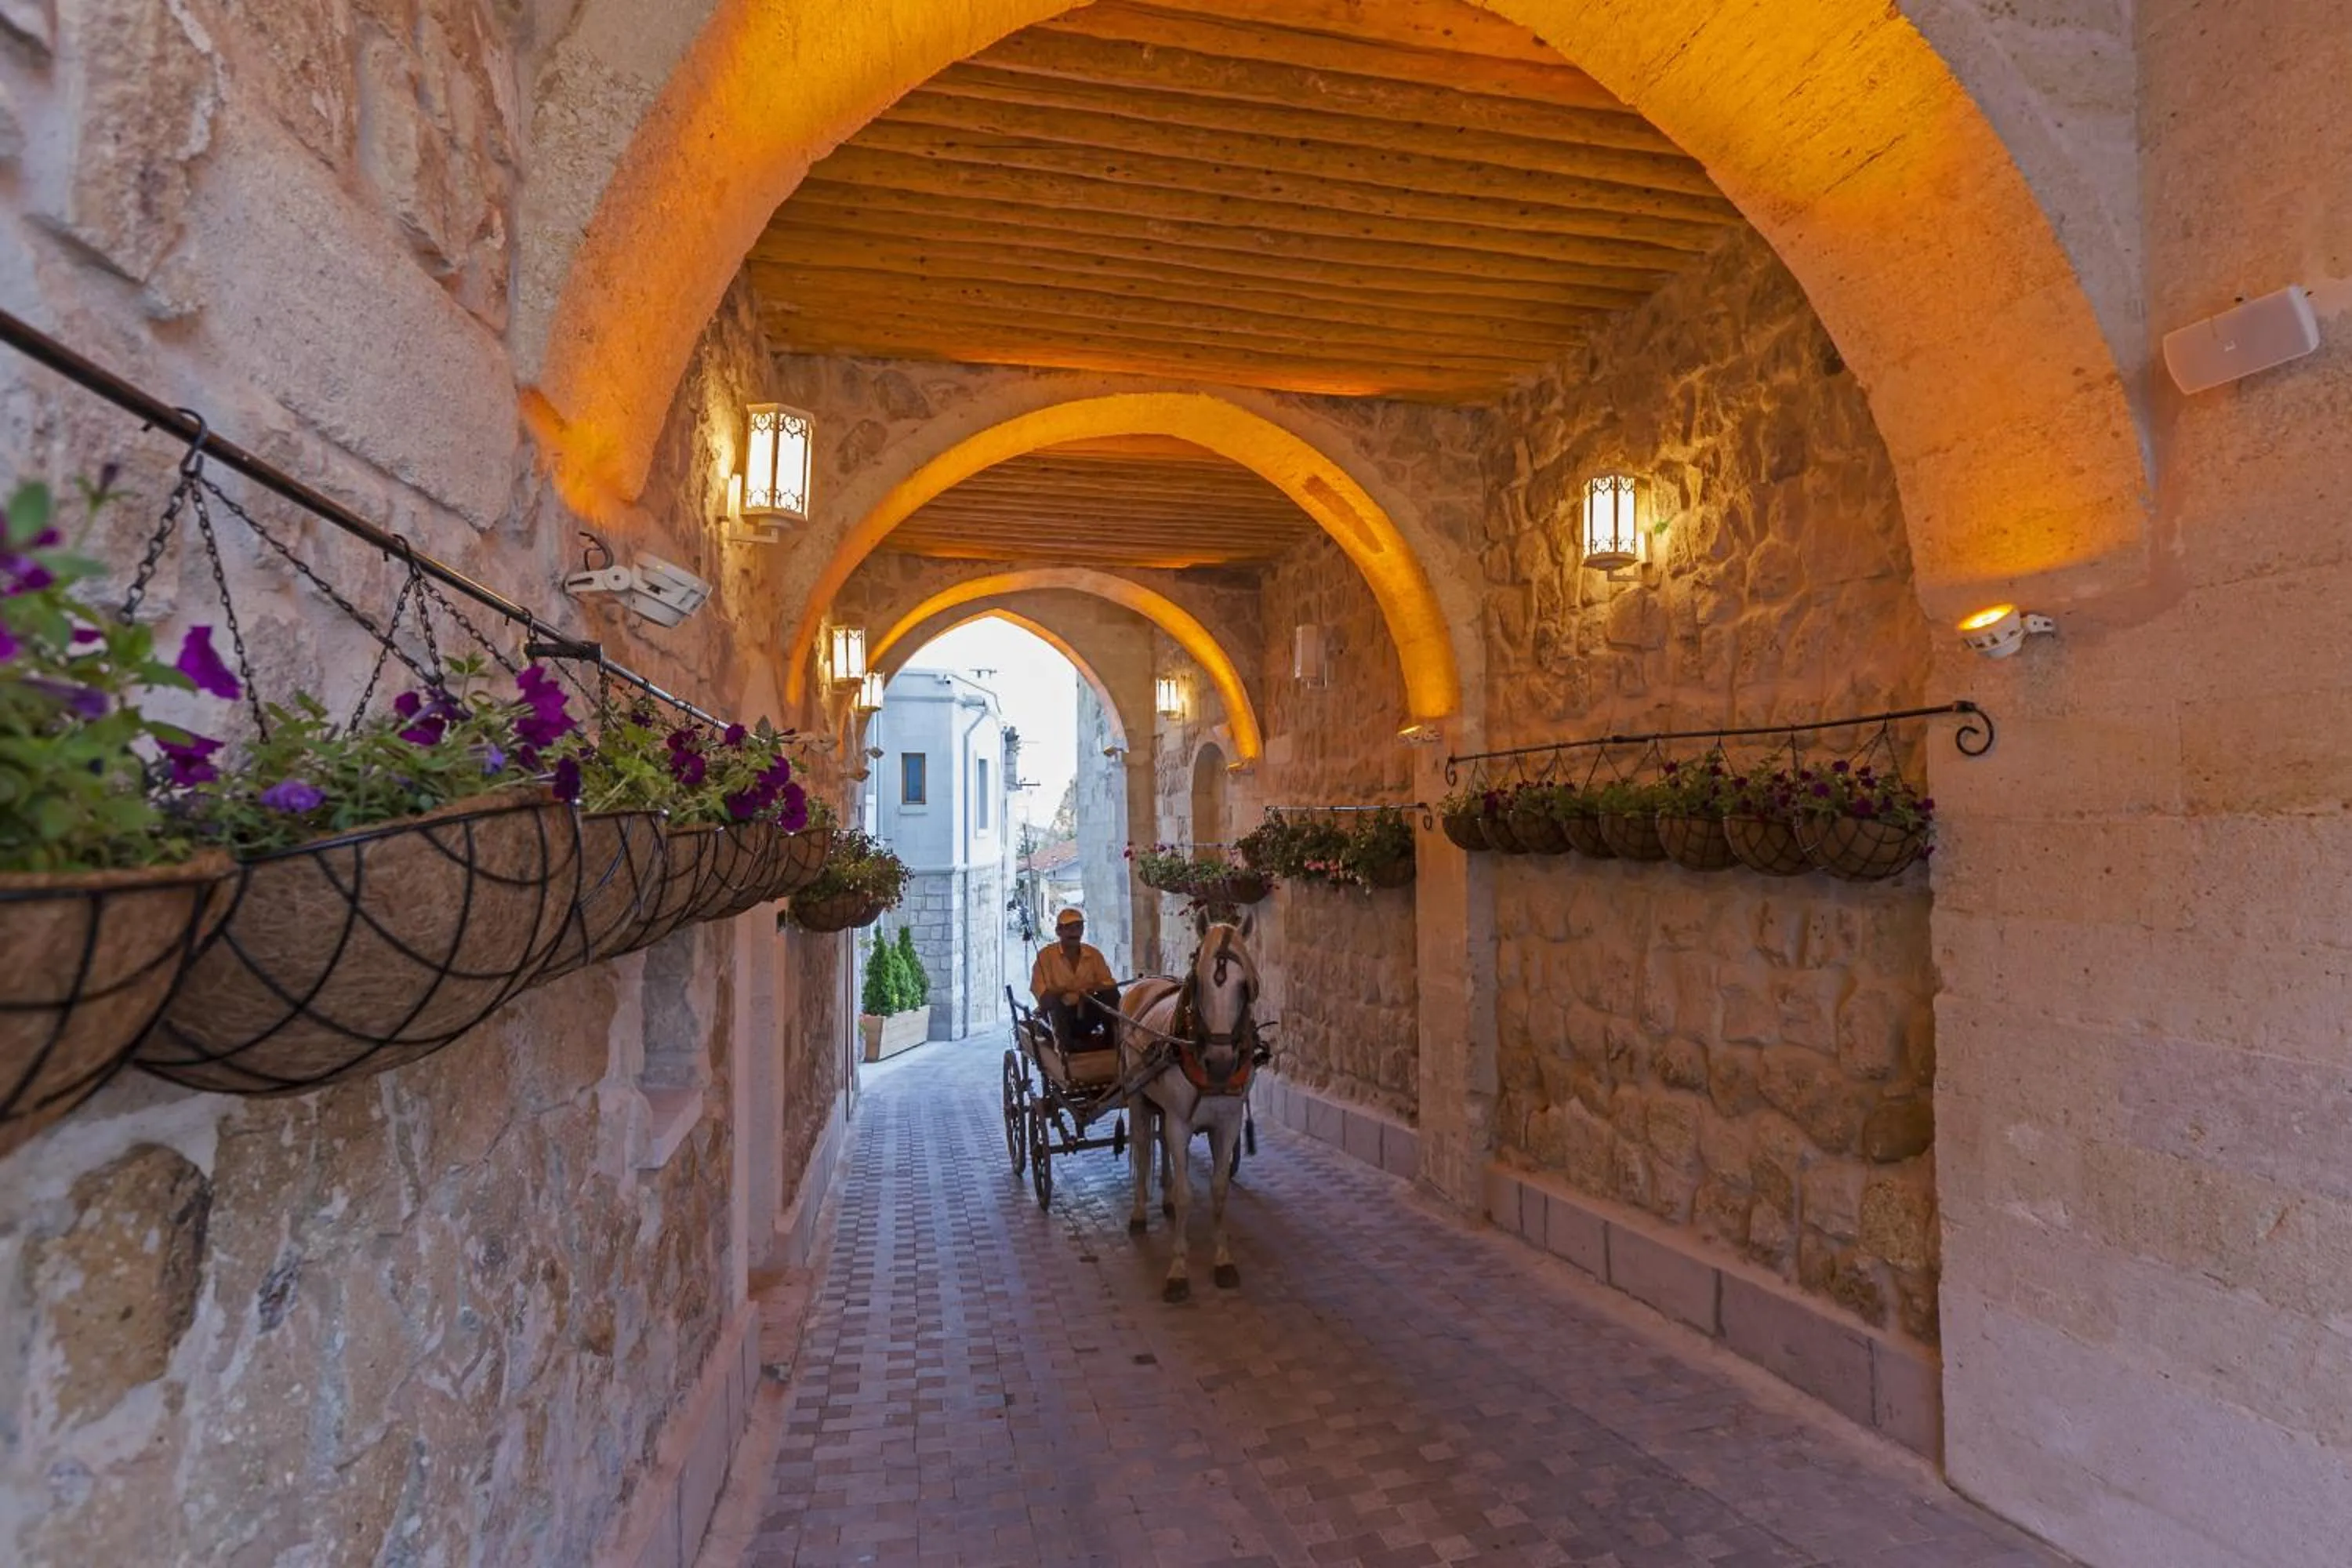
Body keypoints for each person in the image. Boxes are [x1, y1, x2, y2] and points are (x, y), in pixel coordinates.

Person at [1031, 907, 1118, 1052]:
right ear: (1059, 931)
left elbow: (1109, 984)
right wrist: (1064, 990)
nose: (1074, 932)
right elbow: (1043, 997)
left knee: (1112, 996)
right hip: (1056, 1018)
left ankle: (1113, 1043)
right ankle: (1065, 1051)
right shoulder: (1045, 957)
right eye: (1068, 928)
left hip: (1085, 1014)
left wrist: (1093, 989)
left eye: (1078, 927)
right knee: (1054, 1003)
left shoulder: (1093, 954)